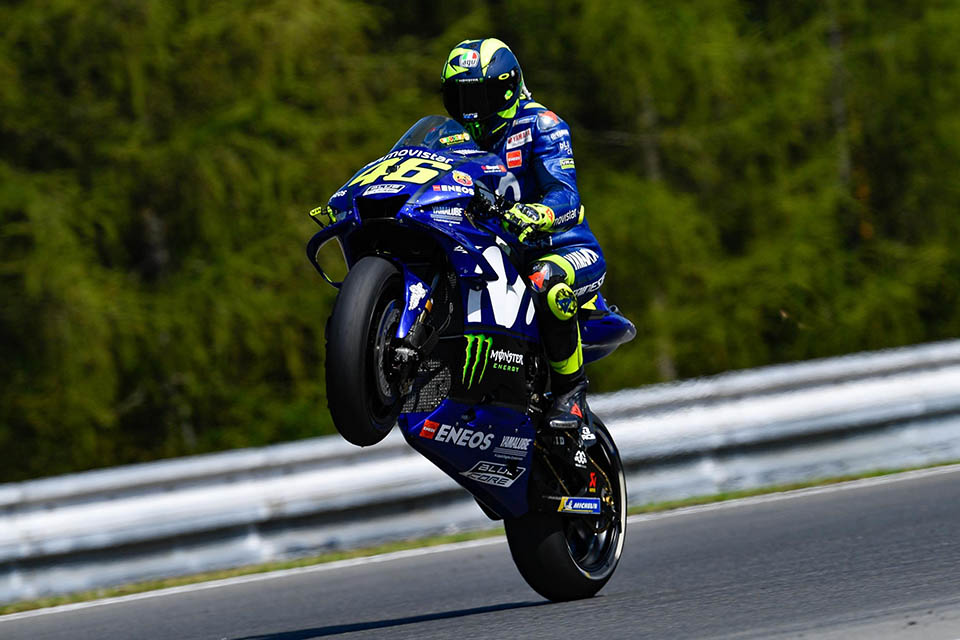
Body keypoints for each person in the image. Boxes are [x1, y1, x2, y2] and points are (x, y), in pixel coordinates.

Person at [441, 38, 605, 431]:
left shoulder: (541, 125)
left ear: (506, 89)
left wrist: (537, 213)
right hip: (501, 254)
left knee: (544, 283)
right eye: (460, 98)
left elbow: (566, 195)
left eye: (478, 96)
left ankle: (571, 395)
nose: (470, 110)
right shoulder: (453, 139)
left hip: (565, 248)